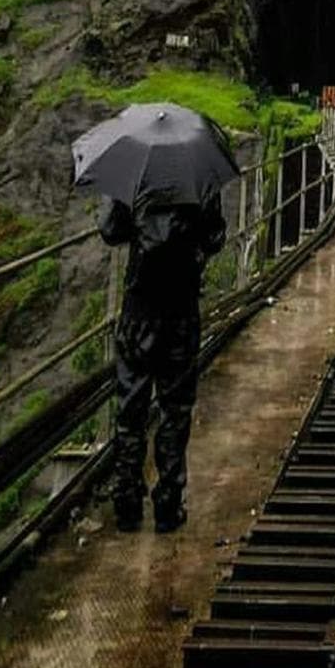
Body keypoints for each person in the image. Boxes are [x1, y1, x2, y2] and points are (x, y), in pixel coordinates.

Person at [99, 185, 227, 532]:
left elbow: (110, 230)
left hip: (139, 308)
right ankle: (168, 503)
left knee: (130, 408)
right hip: (180, 308)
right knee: (176, 409)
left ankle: (126, 501)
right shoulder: (199, 177)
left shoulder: (133, 174)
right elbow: (215, 238)